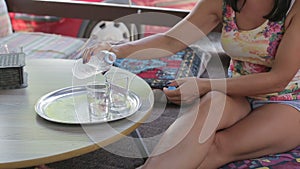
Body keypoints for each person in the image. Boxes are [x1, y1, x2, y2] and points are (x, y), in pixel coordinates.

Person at [83, 0, 300, 168]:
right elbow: (171, 41)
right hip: (238, 91)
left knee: (217, 146)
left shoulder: (295, 8)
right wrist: (117, 49)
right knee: (209, 107)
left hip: (287, 101)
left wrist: (204, 85)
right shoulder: (223, 3)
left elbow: (278, 79)